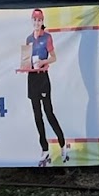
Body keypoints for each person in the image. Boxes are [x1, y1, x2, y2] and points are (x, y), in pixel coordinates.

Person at [19, 8, 68, 165]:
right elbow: (25, 60)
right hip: (32, 78)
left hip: (43, 78)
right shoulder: (28, 39)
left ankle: (62, 143)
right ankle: (44, 149)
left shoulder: (47, 37)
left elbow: (53, 57)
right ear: (32, 21)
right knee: (37, 115)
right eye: (35, 20)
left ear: (42, 22)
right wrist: (24, 67)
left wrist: (43, 62)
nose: (37, 23)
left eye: (39, 20)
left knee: (48, 112)